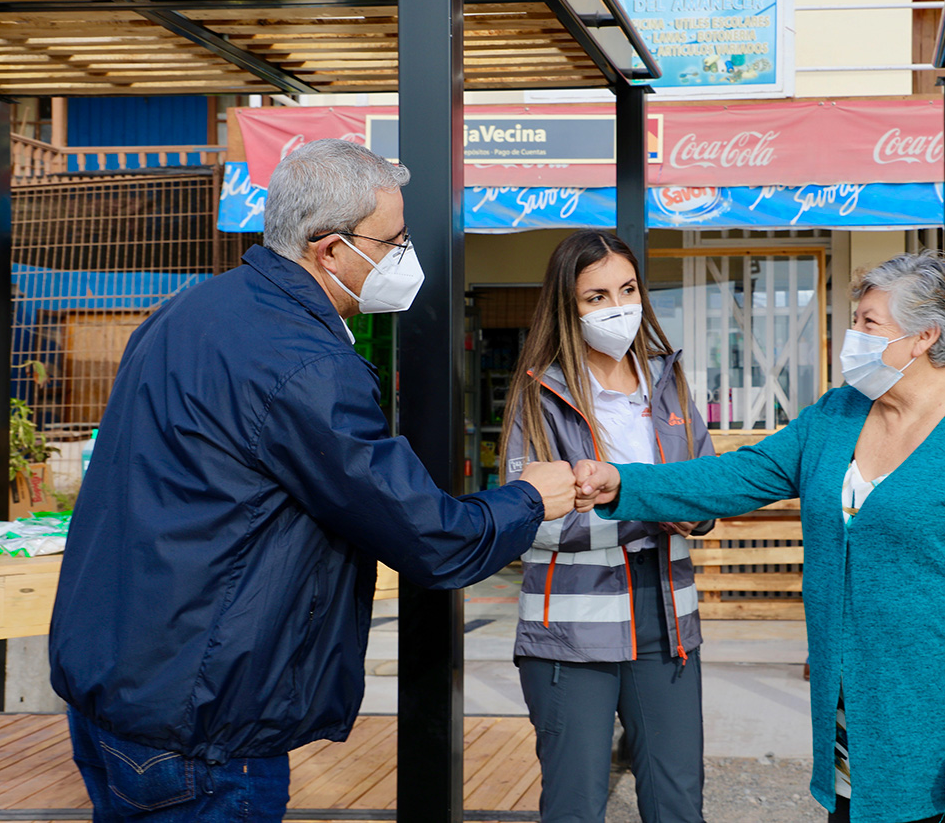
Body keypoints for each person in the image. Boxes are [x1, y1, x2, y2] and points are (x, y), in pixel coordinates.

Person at [49, 138, 577, 823]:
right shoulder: (306, 363)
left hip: (113, 691)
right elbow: (430, 537)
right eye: (394, 240)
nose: (406, 255)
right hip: (201, 729)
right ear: (330, 249)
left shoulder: (188, 311)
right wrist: (531, 498)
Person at [576, 250, 945, 823]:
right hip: (856, 728)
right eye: (855, 319)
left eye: (868, 322)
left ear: (924, 337)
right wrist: (621, 482)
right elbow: (741, 475)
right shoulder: (840, 413)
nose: (853, 336)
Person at [499, 229, 714, 823]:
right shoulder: (539, 393)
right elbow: (531, 520)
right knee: (575, 805)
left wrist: (626, 495)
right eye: (596, 297)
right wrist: (655, 504)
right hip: (572, 626)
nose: (617, 307)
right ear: (568, 308)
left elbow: (706, 495)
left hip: (667, 616)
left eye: (627, 289)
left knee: (678, 802)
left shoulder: (669, 382)